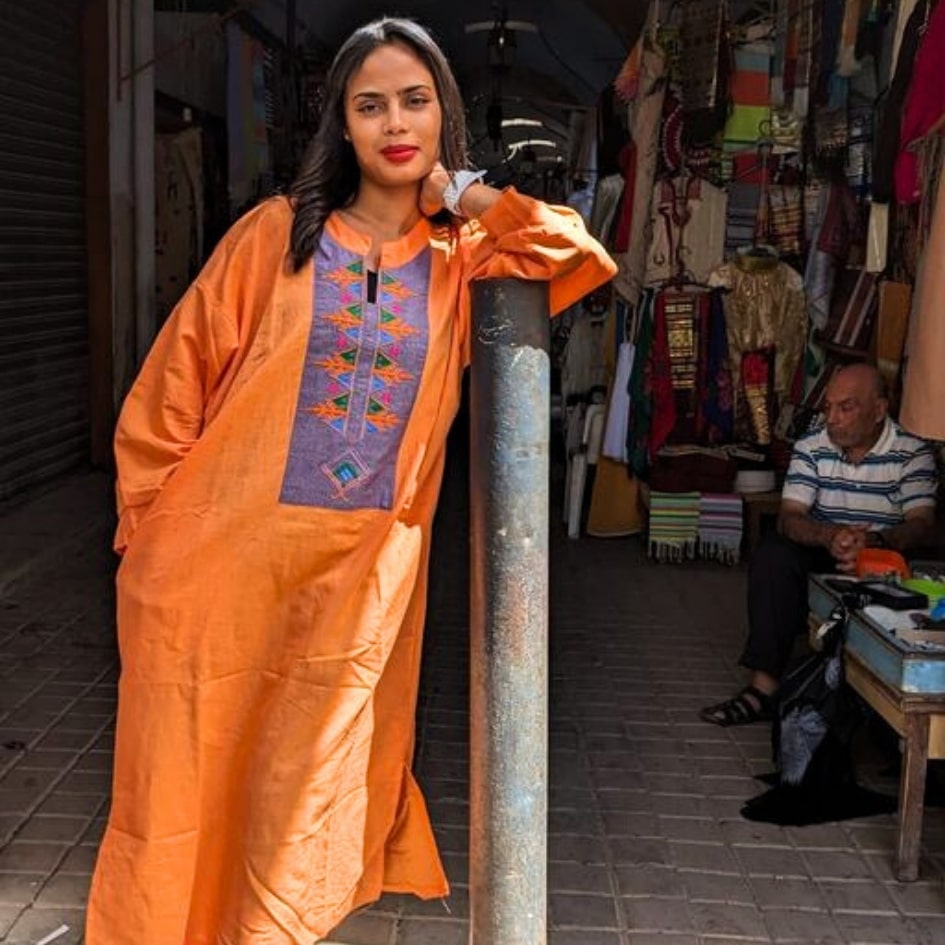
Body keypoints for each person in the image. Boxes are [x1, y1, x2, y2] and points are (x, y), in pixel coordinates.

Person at [85, 17, 616, 945]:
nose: (393, 123)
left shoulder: (464, 261)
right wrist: (148, 538)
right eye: (369, 105)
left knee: (299, 806)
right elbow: (172, 387)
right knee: (182, 792)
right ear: (341, 123)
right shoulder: (272, 240)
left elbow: (576, 254)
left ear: (444, 116)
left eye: (414, 101)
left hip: (352, 595)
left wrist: (469, 193)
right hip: (215, 580)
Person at [700, 363, 937, 727]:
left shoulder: (911, 450)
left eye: (846, 407)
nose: (832, 418)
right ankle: (763, 689)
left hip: (884, 557)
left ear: (878, 411)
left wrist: (872, 544)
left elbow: (921, 523)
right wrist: (831, 537)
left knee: (922, 564)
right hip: (825, 552)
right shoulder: (812, 446)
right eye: (829, 407)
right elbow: (790, 515)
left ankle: (896, 710)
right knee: (773, 554)